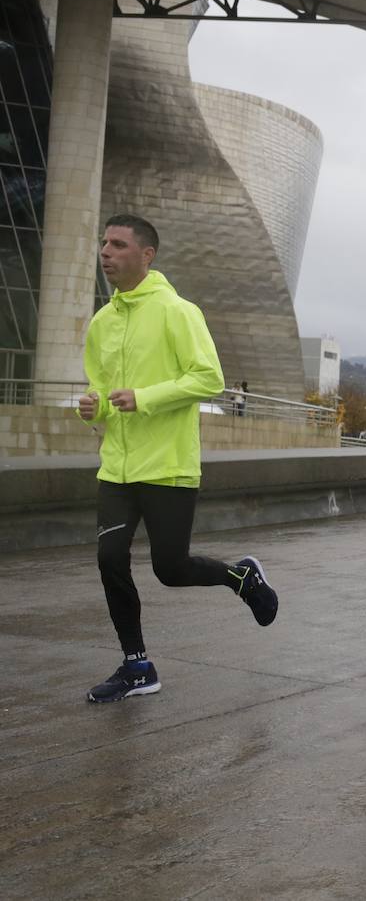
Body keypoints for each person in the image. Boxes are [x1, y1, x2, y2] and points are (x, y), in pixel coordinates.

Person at [78, 214, 278, 703]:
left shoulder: (178, 311)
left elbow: (209, 379)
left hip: (168, 465)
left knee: (171, 568)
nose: (106, 251)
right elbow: (103, 391)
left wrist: (144, 397)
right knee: (109, 558)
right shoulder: (103, 321)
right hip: (117, 468)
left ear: (146, 255)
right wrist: (96, 406)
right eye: (104, 242)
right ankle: (136, 665)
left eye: (118, 244)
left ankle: (239, 576)